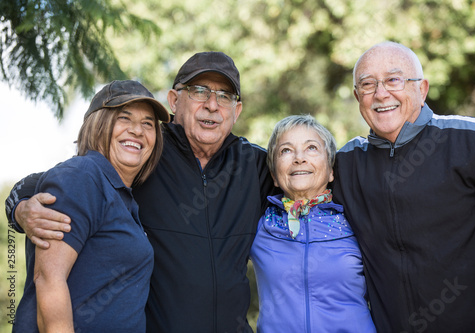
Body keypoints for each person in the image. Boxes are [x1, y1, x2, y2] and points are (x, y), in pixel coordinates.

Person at [5, 52, 275, 332]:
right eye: (199, 91)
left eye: (224, 96)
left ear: (237, 110)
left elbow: (315, 179)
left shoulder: (255, 165)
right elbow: (49, 183)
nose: (212, 105)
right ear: (174, 100)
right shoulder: (146, 153)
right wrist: (20, 208)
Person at [332, 41, 475, 332]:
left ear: (421, 89)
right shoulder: (345, 164)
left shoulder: (473, 140)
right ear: (358, 97)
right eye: (368, 84)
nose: (381, 93)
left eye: (394, 80)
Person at [12, 80, 170, 332]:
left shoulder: (122, 196)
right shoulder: (82, 176)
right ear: (98, 124)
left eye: (148, 124)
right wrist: (18, 208)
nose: (137, 131)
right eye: (124, 118)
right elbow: (49, 280)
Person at [250, 115, 376, 332]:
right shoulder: (259, 225)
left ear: (330, 171)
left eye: (311, 148)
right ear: (274, 176)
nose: (299, 158)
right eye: (286, 150)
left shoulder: (357, 222)